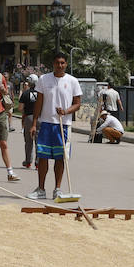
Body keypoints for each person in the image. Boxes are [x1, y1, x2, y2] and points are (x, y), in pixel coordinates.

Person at [28, 52, 83, 201]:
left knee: (60, 158)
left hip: (63, 125)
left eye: (63, 63)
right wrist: (34, 123)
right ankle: (41, 189)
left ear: (66, 64)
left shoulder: (72, 81)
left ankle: (57, 189)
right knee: (42, 157)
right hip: (46, 124)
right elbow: (38, 102)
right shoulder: (43, 79)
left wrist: (66, 111)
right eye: (57, 62)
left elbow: (77, 103)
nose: (60, 65)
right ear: (53, 63)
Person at [19, 80, 38, 169]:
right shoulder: (41, 93)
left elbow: (20, 108)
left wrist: (24, 113)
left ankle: (28, 161)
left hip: (29, 117)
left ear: (29, 84)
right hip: (39, 117)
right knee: (39, 141)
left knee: (28, 141)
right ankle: (38, 163)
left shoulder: (25, 93)